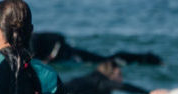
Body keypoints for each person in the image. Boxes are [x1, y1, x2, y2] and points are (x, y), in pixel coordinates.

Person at [62, 59, 176, 94]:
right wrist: (148, 93)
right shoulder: (102, 82)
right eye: (119, 74)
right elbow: (123, 87)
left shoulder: (93, 77)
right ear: (110, 74)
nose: (121, 78)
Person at [31, 31, 161, 67]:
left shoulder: (34, 38)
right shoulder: (33, 40)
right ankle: (142, 59)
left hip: (72, 54)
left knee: (104, 61)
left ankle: (144, 58)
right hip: (69, 56)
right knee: (103, 60)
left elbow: (59, 37)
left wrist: (52, 56)